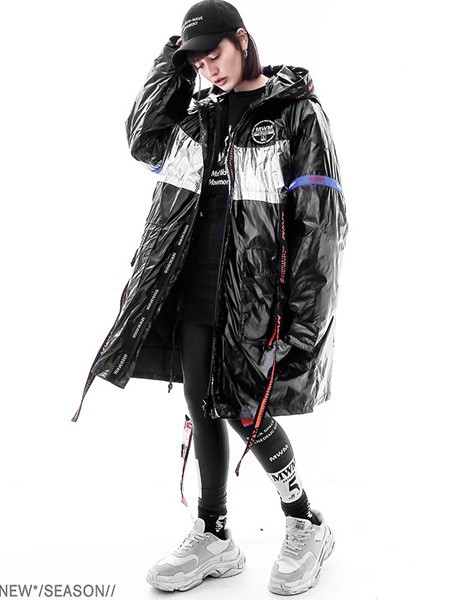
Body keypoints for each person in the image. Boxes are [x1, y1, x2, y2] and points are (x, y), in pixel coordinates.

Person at [71, 0, 348, 595]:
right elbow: (143, 139)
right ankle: (214, 533)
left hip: (258, 298)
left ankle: (305, 521)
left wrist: (304, 321)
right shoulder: (197, 114)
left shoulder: (297, 114)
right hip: (192, 285)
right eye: (197, 63)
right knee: (202, 406)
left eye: (214, 55)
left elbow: (321, 224)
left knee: (248, 411)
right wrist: (171, 63)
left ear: (242, 40)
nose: (209, 70)